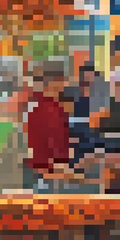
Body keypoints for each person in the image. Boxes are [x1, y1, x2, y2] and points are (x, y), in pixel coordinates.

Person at [24, 62, 71, 190]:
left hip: (38, 170)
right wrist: (61, 167)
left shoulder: (36, 107)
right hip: (49, 174)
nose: (65, 85)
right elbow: (55, 141)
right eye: (63, 81)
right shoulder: (52, 110)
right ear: (56, 82)